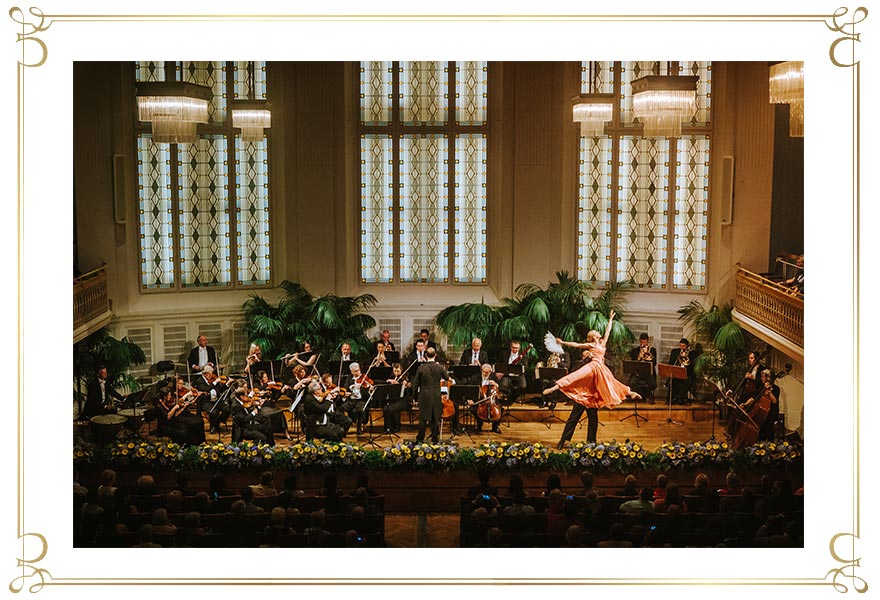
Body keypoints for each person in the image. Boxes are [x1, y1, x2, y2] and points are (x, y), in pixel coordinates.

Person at [544, 311, 640, 448]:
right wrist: (563, 342)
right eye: (596, 333)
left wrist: (611, 319)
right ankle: (562, 441)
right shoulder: (591, 346)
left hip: (594, 391)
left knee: (596, 414)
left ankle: (591, 444)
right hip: (584, 390)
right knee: (573, 417)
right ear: (593, 337)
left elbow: (608, 332)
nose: (599, 334)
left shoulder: (602, 344)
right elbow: (577, 345)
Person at [412, 347, 449, 444]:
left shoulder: (421, 368)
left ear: (425, 355)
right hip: (436, 395)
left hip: (424, 395)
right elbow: (447, 377)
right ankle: (435, 438)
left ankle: (420, 438)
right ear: (435, 355)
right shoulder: (440, 367)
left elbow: (415, 384)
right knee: (435, 417)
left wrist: (414, 397)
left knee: (423, 418)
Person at [155, 378, 206, 446]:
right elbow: (169, 417)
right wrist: (177, 406)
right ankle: (188, 445)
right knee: (191, 425)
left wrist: (184, 406)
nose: (171, 397)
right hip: (167, 424)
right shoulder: (159, 404)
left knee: (199, 421)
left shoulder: (171, 400)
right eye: (169, 395)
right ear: (164, 397)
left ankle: (199, 443)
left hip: (177, 416)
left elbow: (176, 412)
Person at [192, 365, 230, 435]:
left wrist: (227, 384)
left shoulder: (213, 379)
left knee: (227, 409)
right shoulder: (199, 381)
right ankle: (213, 427)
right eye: (209, 374)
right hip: (206, 401)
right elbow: (206, 389)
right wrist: (215, 382)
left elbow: (220, 390)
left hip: (216, 399)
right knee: (213, 412)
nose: (211, 375)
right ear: (204, 373)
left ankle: (217, 423)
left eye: (211, 373)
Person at [382, 362, 412, 434]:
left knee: (393, 408)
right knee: (386, 408)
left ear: (401, 370)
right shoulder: (391, 378)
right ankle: (388, 428)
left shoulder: (405, 378)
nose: (396, 373)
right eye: (394, 371)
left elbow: (410, 391)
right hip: (393, 399)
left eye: (398, 371)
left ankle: (396, 427)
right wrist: (388, 381)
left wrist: (406, 386)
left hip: (403, 400)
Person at [496, 340, 529, 406]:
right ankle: (511, 397)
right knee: (502, 386)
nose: (515, 349)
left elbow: (525, 368)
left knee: (523, 386)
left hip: (518, 376)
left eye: (517, 348)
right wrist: (499, 372)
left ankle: (512, 397)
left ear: (519, 348)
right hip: (507, 375)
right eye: (514, 347)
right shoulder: (504, 354)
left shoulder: (523, 356)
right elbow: (499, 364)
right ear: (510, 347)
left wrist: (520, 367)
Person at [627, 333, 657, 403]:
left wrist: (647, 356)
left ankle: (644, 396)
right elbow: (633, 362)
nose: (643, 344)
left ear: (647, 341)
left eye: (645, 342)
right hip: (637, 372)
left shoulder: (652, 350)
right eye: (642, 342)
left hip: (649, 372)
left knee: (653, 384)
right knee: (631, 383)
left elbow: (654, 363)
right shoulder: (635, 350)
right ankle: (639, 397)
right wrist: (640, 356)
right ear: (640, 341)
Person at [668, 338, 698, 404]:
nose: (682, 348)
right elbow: (670, 363)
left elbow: (692, 366)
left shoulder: (692, 353)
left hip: (687, 373)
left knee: (688, 382)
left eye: (683, 346)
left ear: (687, 346)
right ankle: (673, 398)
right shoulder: (675, 352)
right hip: (677, 372)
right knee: (672, 381)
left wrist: (686, 357)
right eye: (680, 346)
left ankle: (679, 398)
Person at [473, 363, 501, 434]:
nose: (485, 374)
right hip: (480, 400)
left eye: (487, 372)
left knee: (501, 409)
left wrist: (496, 384)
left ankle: (495, 427)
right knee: (475, 409)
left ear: (490, 372)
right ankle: (479, 426)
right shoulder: (475, 377)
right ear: (481, 371)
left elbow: (501, 388)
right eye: (484, 372)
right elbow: (471, 389)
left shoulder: (493, 377)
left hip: (492, 400)